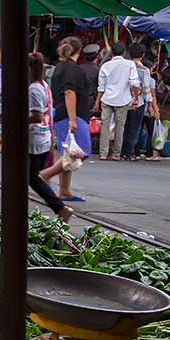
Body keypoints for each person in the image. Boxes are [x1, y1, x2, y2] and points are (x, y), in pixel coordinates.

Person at [43, 36, 92, 202]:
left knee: (69, 150)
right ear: (79, 50)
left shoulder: (60, 66)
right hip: (71, 115)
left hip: (62, 114)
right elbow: (69, 92)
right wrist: (72, 119)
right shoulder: (72, 68)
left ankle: (64, 190)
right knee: (82, 149)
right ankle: (45, 175)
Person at [27, 52, 74, 222]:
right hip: (43, 137)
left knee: (30, 177)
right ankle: (59, 207)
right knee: (30, 176)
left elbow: (37, 116)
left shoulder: (33, 89)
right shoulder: (43, 85)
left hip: (35, 139)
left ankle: (59, 207)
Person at [94, 41, 140, 160]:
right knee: (120, 126)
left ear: (112, 53)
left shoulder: (105, 66)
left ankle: (103, 153)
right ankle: (116, 154)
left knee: (105, 125)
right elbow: (135, 83)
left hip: (107, 98)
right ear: (124, 52)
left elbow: (101, 87)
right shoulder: (130, 65)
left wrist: (97, 102)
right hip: (123, 99)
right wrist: (135, 98)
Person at [121, 43, 152, 161]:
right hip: (137, 102)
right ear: (143, 55)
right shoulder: (144, 70)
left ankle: (120, 151)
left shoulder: (124, 66)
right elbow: (146, 89)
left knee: (123, 127)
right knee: (134, 128)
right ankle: (128, 153)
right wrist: (149, 105)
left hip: (123, 101)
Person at [141, 60, 162, 161]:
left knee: (137, 131)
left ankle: (136, 153)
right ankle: (149, 155)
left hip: (139, 108)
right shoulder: (151, 80)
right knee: (150, 132)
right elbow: (152, 96)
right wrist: (156, 109)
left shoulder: (137, 78)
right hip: (149, 109)